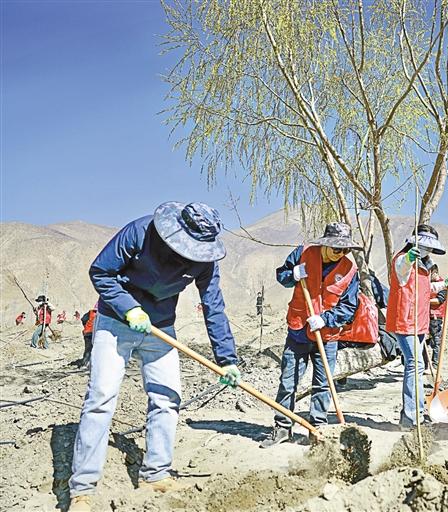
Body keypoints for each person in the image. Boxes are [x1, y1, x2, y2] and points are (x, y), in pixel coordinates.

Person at [67, 202, 241, 512]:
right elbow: (101, 272)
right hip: (115, 322)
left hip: (161, 327)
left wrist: (226, 358)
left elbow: (213, 305)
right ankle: (83, 489)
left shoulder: (205, 258)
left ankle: (156, 474)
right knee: (101, 398)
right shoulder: (140, 232)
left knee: (167, 398)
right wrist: (129, 308)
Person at [260, 222, 363, 448]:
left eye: (346, 249)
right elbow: (282, 276)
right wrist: (293, 275)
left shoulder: (350, 270)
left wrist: (326, 319)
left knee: (323, 384)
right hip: (298, 331)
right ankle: (282, 427)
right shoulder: (303, 253)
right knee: (288, 382)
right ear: (325, 244)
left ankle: (318, 429)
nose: (342, 254)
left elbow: (349, 307)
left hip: (327, 336)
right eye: (337, 249)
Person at [386, 224, 448, 430]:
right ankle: (411, 416)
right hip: (405, 320)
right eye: (425, 246)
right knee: (414, 364)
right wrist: (409, 258)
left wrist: (444, 284)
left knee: (416, 365)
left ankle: (415, 413)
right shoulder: (403, 259)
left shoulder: (425, 266)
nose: (428, 250)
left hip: (420, 321)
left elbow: (425, 288)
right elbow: (402, 270)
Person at [427, 265, 448, 369]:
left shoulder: (443, 285)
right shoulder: (429, 284)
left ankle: (435, 365)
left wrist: (423, 300)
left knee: (436, 341)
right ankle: (425, 365)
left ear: (435, 273)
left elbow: (439, 300)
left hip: (436, 317)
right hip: (426, 316)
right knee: (425, 341)